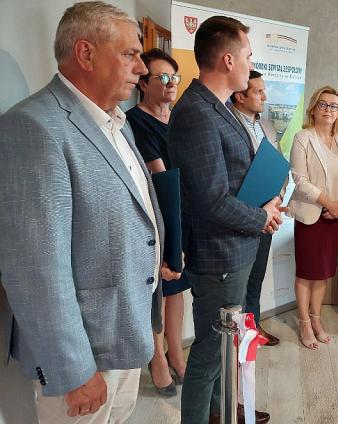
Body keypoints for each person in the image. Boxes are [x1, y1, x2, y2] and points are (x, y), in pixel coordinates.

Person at [0, 2, 180, 422]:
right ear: (85, 53)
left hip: (126, 333)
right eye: (130, 54)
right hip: (85, 356)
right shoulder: (35, 127)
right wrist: (74, 370)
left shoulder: (118, 121)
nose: (141, 68)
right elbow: (35, 268)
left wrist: (153, 258)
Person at [167, 15, 282, 424]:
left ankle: (221, 412)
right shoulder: (197, 112)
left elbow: (233, 178)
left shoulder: (219, 107)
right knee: (209, 355)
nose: (252, 64)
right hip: (219, 255)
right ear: (228, 60)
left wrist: (266, 207)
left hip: (236, 247)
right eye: (248, 55)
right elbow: (211, 200)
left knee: (222, 351)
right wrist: (260, 216)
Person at [126, 48, 189, 397]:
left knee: (179, 289)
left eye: (174, 77)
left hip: (182, 213)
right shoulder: (134, 121)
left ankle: (177, 354)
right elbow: (160, 175)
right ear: (143, 83)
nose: (170, 83)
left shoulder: (177, 119)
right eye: (162, 77)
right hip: (157, 219)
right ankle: (158, 360)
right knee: (159, 291)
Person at [288, 86, 338, 349]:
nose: (329, 110)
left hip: (334, 216)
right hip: (310, 215)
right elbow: (300, 180)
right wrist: (330, 203)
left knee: (323, 272)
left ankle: (316, 319)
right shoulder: (303, 138)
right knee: (307, 272)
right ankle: (304, 322)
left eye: (334, 106)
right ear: (314, 109)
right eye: (323, 104)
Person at [230, 70, 284, 347]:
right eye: (258, 91)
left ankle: (252, 328)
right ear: (240, 96)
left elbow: (280, 165)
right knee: (237, 281)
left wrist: (277, 200)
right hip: (240, 217)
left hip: (267, 215)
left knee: (256, 278)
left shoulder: (269, 127)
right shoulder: (227, 124)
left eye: (264, 90)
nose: (264, 96)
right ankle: (235, 333)